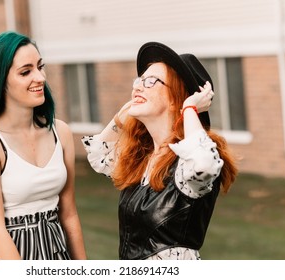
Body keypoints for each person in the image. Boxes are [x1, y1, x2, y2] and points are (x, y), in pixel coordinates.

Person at [82, 41, 238, 260]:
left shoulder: (190, 161)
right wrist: (133, 104)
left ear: (177, 98)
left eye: (151, 81)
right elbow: (99, 154)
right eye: (138, 80)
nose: (137, 86)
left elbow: (203, 163)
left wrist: (189, 107)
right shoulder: (143, 158)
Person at [0, 31, 86, 260]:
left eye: (40, 67)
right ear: (0, 81)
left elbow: (68, 215)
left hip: (56, 249)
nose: (40, 77)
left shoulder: (60, 132)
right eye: (26, 71)